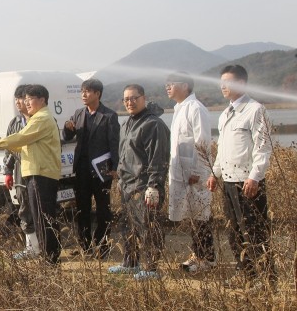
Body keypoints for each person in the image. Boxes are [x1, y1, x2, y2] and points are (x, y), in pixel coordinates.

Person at [207, 65, 276, 290]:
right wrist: (214, 174)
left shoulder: (255, 110)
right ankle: (245, 273)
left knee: (255, 230)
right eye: (222, 82)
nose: (223, 86)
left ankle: (266, 279)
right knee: (234, 230)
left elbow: (263, 147)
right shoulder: (225, 113)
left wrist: (255, 177)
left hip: (248, 182)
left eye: (229, 82)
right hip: (228, 181)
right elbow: (223, 149)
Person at [0, 84, 62, 265]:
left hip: (41, 175)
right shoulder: (36, 119)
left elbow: (20, 138)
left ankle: (50, 259)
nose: (26, 102)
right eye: (26, 99)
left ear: (42, 100)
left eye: (30, 99)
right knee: (41, 217)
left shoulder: (42, 119)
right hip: (36, 173)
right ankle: (49, 256)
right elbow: (20, 145)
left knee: (43, 218)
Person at [108, 84, 170, 280]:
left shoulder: (153, 124)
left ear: (144, 98)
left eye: (134, 98)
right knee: (128, 226)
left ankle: (151, 268)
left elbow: (158, 157)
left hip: (144, 186)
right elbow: (123, 155)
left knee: (148, 227)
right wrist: (119, 177)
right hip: (127, 184)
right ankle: (130, 262)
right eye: (126, 99)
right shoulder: (126, 124)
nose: (130, 102)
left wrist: (154, 184)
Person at [63, 78, 119, 259]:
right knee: (82, 209)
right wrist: (68, 128)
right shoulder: (79, 114)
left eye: (87, 91)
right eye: (82, 91)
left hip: (102, 170)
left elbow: (114, 143)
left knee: (103, 210)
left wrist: (115, 167)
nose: (84, 95)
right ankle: (85, 246)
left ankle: (102, 245)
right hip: (82, 169)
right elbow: (67, 135)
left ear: (98, 94)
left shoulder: (109, 116)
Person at [165, 72, 215, 273]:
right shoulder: (179, 109)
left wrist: (197, 171)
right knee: (193, 216)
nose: (167, 87)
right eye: (166, 84)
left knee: (200, 216)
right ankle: (199, 254)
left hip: (195, 173)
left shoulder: (196, 108)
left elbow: (202, 141)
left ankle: (207, 258)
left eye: (171, 84)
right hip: (183, 173)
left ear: (185, 85)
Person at [2, 84, 40, 259]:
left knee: (40, 207)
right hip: (19, 170)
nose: (18, 102)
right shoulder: (15, 122)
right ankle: (31, 248)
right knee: (24, 206)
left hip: (37, 169)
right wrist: (7, 171)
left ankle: (43, 246)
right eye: (16, 99)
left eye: (22, 98)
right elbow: (9, 148)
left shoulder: (39, 120)